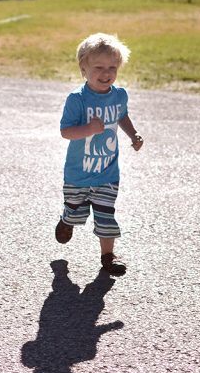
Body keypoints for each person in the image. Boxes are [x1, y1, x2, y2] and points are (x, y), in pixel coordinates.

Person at [55, 33, 143, 276]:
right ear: (83, 69)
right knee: (77, 210)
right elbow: (65, 131)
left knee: (106, 215)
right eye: (99, 67)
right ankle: (67, 219)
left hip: (107, 173)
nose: (106, 73)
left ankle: (108, 257)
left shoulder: (119, 95)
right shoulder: (77, 99)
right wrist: (88, 129)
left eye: (112, 67)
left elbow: (122, 115)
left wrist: (133, 134)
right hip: (78, 174)